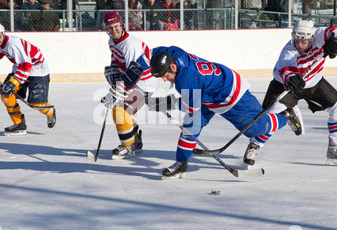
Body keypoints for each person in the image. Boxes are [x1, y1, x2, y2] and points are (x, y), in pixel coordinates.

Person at [133, 47, 298, 179]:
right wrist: (132, 72)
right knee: (190, 128)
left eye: (165, 76)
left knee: (254, 129)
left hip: (230, 93)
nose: (164, 80)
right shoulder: (172, 53)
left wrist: (162, 103)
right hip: (207, 91)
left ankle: (285, 115)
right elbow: (151, 53)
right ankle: (181, 163)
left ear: (173, 67)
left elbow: (190, 109)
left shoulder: (187, 81)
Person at [260, 19, 337, 167]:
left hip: (315, 84)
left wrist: (336, 41)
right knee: (269, 115)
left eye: (303, 42)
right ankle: (255, 146)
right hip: (285, 86)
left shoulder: (319, 35)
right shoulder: (288, 52)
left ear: (311, 38)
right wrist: (291, 79)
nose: (299, 45)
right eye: (296, 40)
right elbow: (287, 69)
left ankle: (334, 148)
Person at [0, 22, 56, 136]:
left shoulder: (13, 44)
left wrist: (14, 82)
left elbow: (26, 65)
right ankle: (19, 123)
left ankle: (50, 111)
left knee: (36, 103)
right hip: (20, 69)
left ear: (3, 33)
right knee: (6, 95)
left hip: (37, 71)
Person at [101, 11, 157, 159]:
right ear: (106, 29)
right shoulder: (112, 41)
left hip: (144, 83)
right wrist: (114, 76)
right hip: (130, 81)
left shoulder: (130, 45)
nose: (114, 30)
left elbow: (134, 74)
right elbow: (115, 61)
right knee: (121, 111)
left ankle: (129, 146)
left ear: (122, 25)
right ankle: (136, 141)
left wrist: (117, 91)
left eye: (116, 26)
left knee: (119, 112)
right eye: (110, 28)